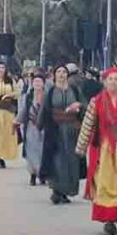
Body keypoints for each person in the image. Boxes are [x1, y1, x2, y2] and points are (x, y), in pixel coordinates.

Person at [76, 67, 117, 235]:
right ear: (104, 82)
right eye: (110, 79)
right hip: (104, 148)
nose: (113, 82)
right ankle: (108, 218)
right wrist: (81, 147)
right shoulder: (96, 101)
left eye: (116, 79)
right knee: (104, 181)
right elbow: (88, 124)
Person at [41, 65, 85, 204]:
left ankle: (66, 191)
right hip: (56, 130)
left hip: (72, 130)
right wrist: (40, 125)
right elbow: (45, 109)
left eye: (64, 72)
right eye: (58, 72)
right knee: (58, 160)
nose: (61, 74)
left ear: (67, 74)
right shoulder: (51, 91)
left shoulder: (75, 90)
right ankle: (56, 190)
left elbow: (85, 105)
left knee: (71, 161)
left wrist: (78, 107)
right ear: (54, 75)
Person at [17, 74, 47, 186]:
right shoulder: (28, 96)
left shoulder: (47, 96)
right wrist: (17, 121)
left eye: (39, 82)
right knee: (30, 151)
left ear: (43, 84)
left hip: (43, 127)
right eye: (35, 82)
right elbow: (23, 110)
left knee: (42, 150)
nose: (37, 84)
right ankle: (33, 174)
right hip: (30, 126)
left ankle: (42, 174)